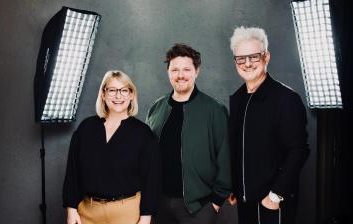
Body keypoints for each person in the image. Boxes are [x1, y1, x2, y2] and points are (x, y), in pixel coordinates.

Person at [228, 26, 310, 224]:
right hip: (244, 202)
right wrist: (234, 186)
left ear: (266, 57)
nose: (247, 63)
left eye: (254, 56)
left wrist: (275, 196)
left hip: (272, 204)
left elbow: (298, 151)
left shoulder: (286, 99)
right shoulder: (237, 99)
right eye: (241, 58)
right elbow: (238, 147)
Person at [145, 43, 231, 224]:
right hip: (159, 204)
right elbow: (146, 155)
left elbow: (226, 156)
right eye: (175, 70)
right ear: (168, 72)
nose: (181, 75)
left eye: (186, 69)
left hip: (198, 207)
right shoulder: (157, 108)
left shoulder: (214, 110)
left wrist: (216, 201)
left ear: (196, 71)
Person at [62, 70, 161, 224]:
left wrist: (146, 217)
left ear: (131, 95)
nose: (118, 96)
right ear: (103, 94)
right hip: (87, 213)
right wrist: (71, 209)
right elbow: (73, 172)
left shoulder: (143, 133)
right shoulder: (86, 128)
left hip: (127, 213)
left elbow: (151, 180)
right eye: (112, 90)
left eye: (124, 90)